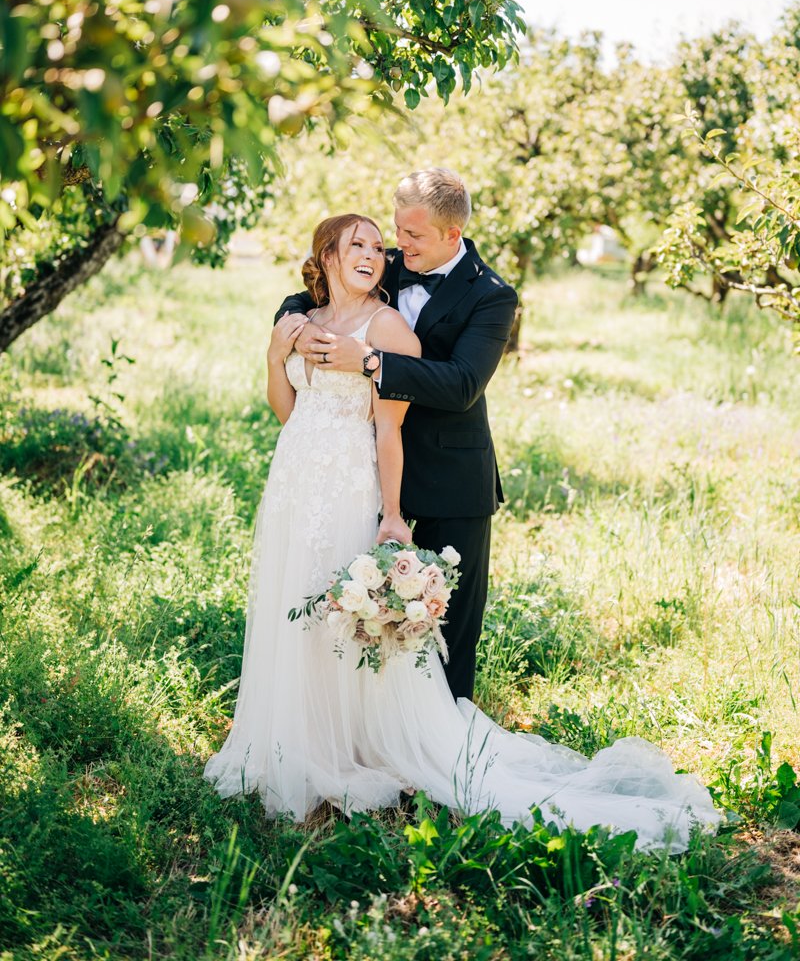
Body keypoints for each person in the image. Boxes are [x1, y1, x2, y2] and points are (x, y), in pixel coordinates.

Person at [203, 211, 721, 850]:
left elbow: (389, 429)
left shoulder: (388, 323)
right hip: (291, 488)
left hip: (346, 489)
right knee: (295, 611)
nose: (375, 252)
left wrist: (392, 516)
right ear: (327, 257)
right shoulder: (305, 319)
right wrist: (276, 350)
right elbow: (288, 410)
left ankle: (355, 753)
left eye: (378, 243)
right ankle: (296, 742)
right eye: (357, 243)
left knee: (341, 619)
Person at [276, 168, 518, 701]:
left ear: (452, 235)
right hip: (367, 469)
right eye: (396, 231)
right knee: (365, 613)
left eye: (413, 236)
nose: (397, 246)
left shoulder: (493, 296)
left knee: (444, 617)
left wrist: (369, 360)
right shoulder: (389, 264)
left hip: (451, 474)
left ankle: (449, 748)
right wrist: (297, 323)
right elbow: (311, 292)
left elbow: (461, 385)